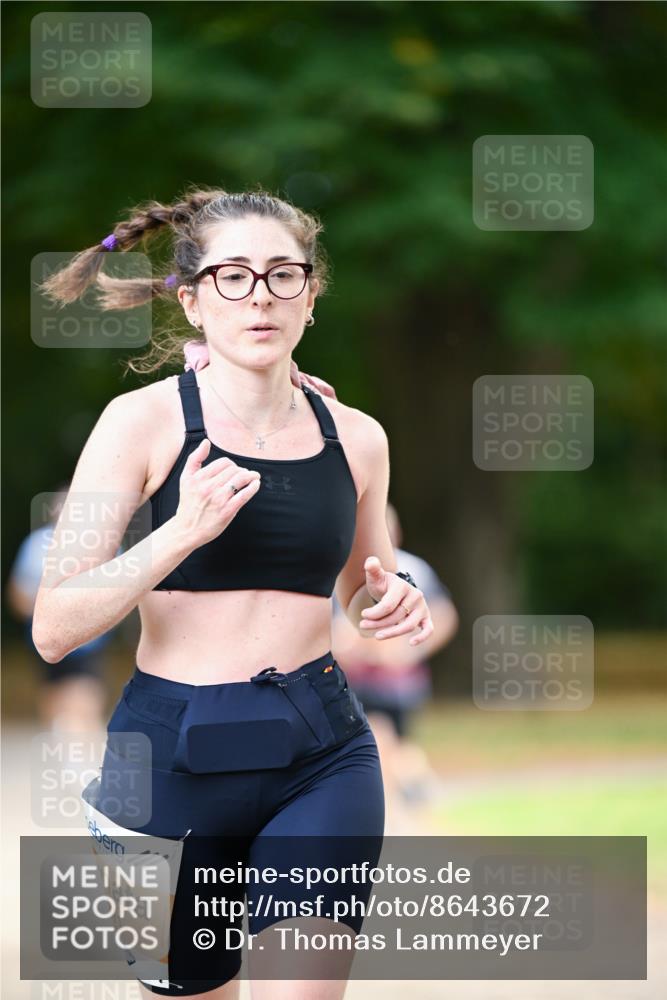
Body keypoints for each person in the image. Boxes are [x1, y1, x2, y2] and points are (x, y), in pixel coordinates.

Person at [32, 187, 435, 1000]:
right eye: (234, 276)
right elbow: (53, 626)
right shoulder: (137, 424)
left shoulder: (356, 436)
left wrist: (391, 606)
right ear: (191, 299)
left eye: (284, 275)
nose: (261, 295)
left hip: (321, 755)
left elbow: (367, 586)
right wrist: (178, 532)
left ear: (311, 297)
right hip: (169, 760)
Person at [332, 502, 458, 819]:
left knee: (386, 742)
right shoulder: (340, 570)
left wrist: (409, 651)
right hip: (355, 679)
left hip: (396, 682)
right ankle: (411, 800)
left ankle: (404, 805)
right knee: (386, 742)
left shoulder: (412, 568)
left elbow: (444, 616)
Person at [6, 482, 110, 733]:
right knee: (55, 706)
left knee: (84, 702)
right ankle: (67, 759)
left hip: (87, 643)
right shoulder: (36, 544)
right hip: (47, 642)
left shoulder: (102, 543)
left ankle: (86, 763)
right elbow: (18, 594)